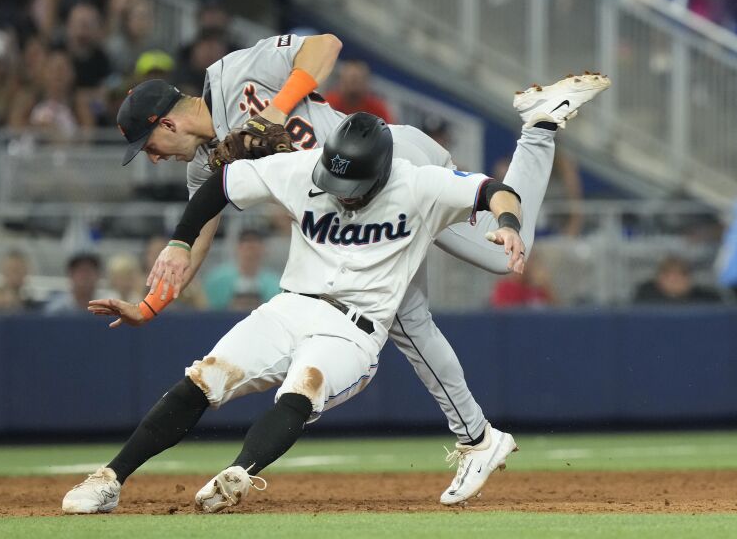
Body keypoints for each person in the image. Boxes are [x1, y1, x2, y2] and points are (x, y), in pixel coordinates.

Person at [108, 34, 609, 505]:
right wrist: (150, 305)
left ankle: (478, 439)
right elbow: (196, 234)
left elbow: (326, 47)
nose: (153, 160)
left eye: (149, 148)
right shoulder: (206, 165)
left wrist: (276, 110)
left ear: (166, 123)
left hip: (389, 169)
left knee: (427, 308)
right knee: (437, 300)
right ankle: (540, 126)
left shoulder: (230, 75)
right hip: (351, 210)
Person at [63, 112, 527, 514]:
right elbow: (220, 185)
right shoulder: (304, 168)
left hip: (353, 330)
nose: (343, 194)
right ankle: (109, 479)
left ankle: (239, 474)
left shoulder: (419, 183)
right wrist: (181, 241)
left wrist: (507, 225)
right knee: (204, 379)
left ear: (383, 171)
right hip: (289, 307)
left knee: (301, 390)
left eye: (354, 185)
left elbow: (495, 190)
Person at [203, 228, 280, 311]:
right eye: (248, 248)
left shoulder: (275, 284)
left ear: (263, 250)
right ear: (238, 248)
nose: (251, 253)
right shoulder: (217, 280)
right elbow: (208, 309)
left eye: (255, 248)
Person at [325, 60, 395, 124]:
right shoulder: (329, 103)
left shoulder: (378, 111)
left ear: (365, 83)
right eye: (348, 80)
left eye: (356, 81)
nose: (352, 86)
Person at [634, 255, 723, 305]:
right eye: (668, 275)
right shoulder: (644, 297)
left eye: (681, 274)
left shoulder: (706, 299)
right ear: (659, 278)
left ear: (689, 278)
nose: (674, 280)